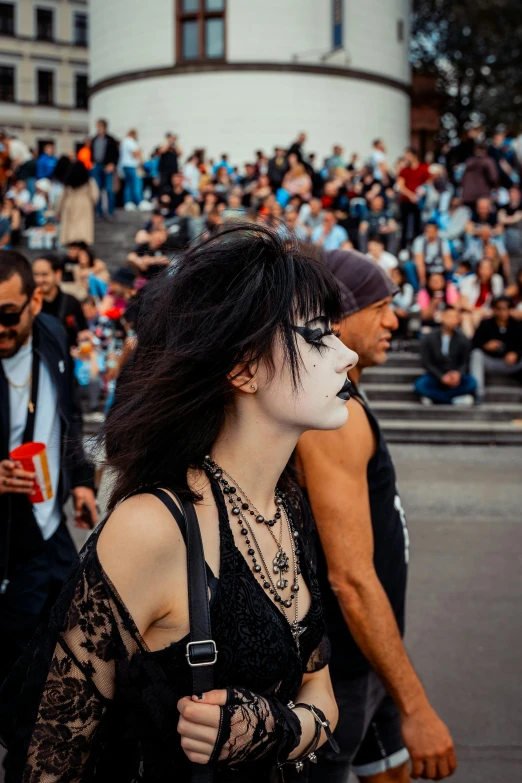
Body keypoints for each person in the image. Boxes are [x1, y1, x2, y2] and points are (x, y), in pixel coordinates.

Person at [0, 224, 354, 781]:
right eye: (316, 336)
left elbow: (321, 690)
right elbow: (48, 756)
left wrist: (273, 729)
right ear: (242, 367)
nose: (346, 353)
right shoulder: (153, 527)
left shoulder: (285, 507)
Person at [297, 250, 457, 783]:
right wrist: (416, 705)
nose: (395, 320)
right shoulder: (332, 416)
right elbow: (350, 579)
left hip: (371, 655)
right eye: (382, 306)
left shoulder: (342, 401)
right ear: (338, 318)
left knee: (392, 772)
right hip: (341, 664)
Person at [0, 250, 96, 689]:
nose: (0, 329)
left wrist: (81, 483)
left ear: (35, 301)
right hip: (8, 539)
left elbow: (69, 416)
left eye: (8, 315)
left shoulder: (53, 335)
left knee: (67, 638)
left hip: (52, 525)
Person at [414, 306, 476, 405]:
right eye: (449, 316)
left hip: (455, 377)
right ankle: (452, 400)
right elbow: (426, 362)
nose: (451, 320)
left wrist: (457, 374)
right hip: (436, 375)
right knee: (420, 385)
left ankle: (436, 399)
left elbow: (465, 362)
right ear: (442, 317)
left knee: (471, 383)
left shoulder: (463, 339)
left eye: (455, 317)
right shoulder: (429, 338)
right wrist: (441, 376)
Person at [470, 296, 522, 403]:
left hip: (511, 364)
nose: (503, 312)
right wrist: (485, 346)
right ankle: (479, 393)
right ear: (494, 309)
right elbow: (473, 344)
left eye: (506, 308)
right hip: (491, 362)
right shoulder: (485, 324)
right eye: (500, 308)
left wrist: (516, 353)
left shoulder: (517, 325)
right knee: (476, 354)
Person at [32, 253, 87, 347]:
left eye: (44, 274)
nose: (39, 280)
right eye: (36, 275)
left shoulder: (72, 303)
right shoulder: (29, 305)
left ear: (58, 274)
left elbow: (83, 334)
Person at [57, 161, 99, 247]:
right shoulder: (89, 181)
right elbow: (95, 195)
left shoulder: (68, 182)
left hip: (70, 203)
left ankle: (71, 242)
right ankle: (82, 242)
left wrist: (58, 211)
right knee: (83, 225)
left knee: (70, 227)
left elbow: (62, 197)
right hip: (84, 204)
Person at [459, 258, 504, 338]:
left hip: (489, 311)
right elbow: (464, 302)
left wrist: (486, 312)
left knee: (476, 316)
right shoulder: (469, 280)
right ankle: (471, 341)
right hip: (471, 310)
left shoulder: (497, 280)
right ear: (477, 269)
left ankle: (481, 340)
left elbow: (498, 301)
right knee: (466, 317)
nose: (484, 271)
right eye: (482, 268)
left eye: (487, 268)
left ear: (492, 269)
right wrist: (477, 311)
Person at [397, 147, 430, 248]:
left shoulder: (424, 168)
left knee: (417, 226)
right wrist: (411, 195)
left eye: (407, 155)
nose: (406, 158)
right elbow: (400, 186)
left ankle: (417, 248)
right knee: (404, 227)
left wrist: (420, 194)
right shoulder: (404, 170)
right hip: (406, 201)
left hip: (419, 202)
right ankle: (403, 248)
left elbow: (427, 184)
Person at [409, 221, 453, 290]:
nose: (429, 233)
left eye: (431, 231)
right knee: (409, 266)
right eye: (427, 231)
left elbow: (447, 260)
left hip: (439, 267)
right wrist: (423, 282)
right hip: (425, 268)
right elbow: (420, 263)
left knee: (453, 268)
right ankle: (418, 290)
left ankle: (449, 288)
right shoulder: (419, 241)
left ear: (436, 231)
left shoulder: (443, 241)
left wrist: (442, 272)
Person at [91, 119, 119, 218]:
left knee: (109, 189)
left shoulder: (110, 140)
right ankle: (99, 211)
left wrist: (112, 164)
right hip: (97, 166)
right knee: (97, 189)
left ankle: (110, 211)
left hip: (107, 166)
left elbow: (116, 154)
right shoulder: (94, 139)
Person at [460, 143, 499, 207]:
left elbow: (461, 178)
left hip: (467, 196)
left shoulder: (468, 161)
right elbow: (494, 178)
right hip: (483, 195)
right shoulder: (488, 161)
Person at [119, 129, 144, 210]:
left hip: (125, 165)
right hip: (132, 165)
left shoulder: (124, 142)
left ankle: (128, 202)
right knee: (136, 184)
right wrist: (140, 151)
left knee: (128, 185)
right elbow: (135, 153)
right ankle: (139, 201)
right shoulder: (130, 141)